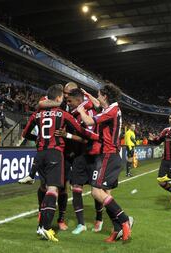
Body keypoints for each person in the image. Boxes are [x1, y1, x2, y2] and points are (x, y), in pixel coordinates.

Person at [22, 84, 99, 242]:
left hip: (53, 153)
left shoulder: (41, 112)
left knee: (58, 188)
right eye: (64, 95)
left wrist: (37, 139)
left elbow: (26, 131)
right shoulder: (62, 110)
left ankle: (56, 221)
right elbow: (80, 129)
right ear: (60, 97)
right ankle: (44, 224)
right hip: (57, 154)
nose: (66, 98)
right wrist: (91, 137)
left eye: (68, 96)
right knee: (53, 188)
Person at [77, 83, 133, 243]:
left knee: (96, 192)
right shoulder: (112, 108)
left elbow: (88, 121)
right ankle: (117, 229)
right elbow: (98, 104)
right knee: (106, 194)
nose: (98, 97)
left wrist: (81, 110)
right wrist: (89, 95)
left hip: (108, 155)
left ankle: (124, 219)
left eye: (99, 94)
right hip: (112, 154)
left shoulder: (111, 110)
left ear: (105, 96)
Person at [54, 88, 104, 235]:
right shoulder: (74, 114)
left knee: (96, 190)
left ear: (78, 100)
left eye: (70, 101)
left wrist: (67, 135)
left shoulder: (87, 113)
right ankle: (81, 223)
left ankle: (99, 218)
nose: (68, 104)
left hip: (93, 156)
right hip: (79, 157)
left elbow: (88, 137)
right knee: (76, 188)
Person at [148, 111, 171, 211]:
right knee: (161, 181)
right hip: (166, 160)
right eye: (170, 118)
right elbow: (158, 141)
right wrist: (152, 139)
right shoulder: (166, 131)